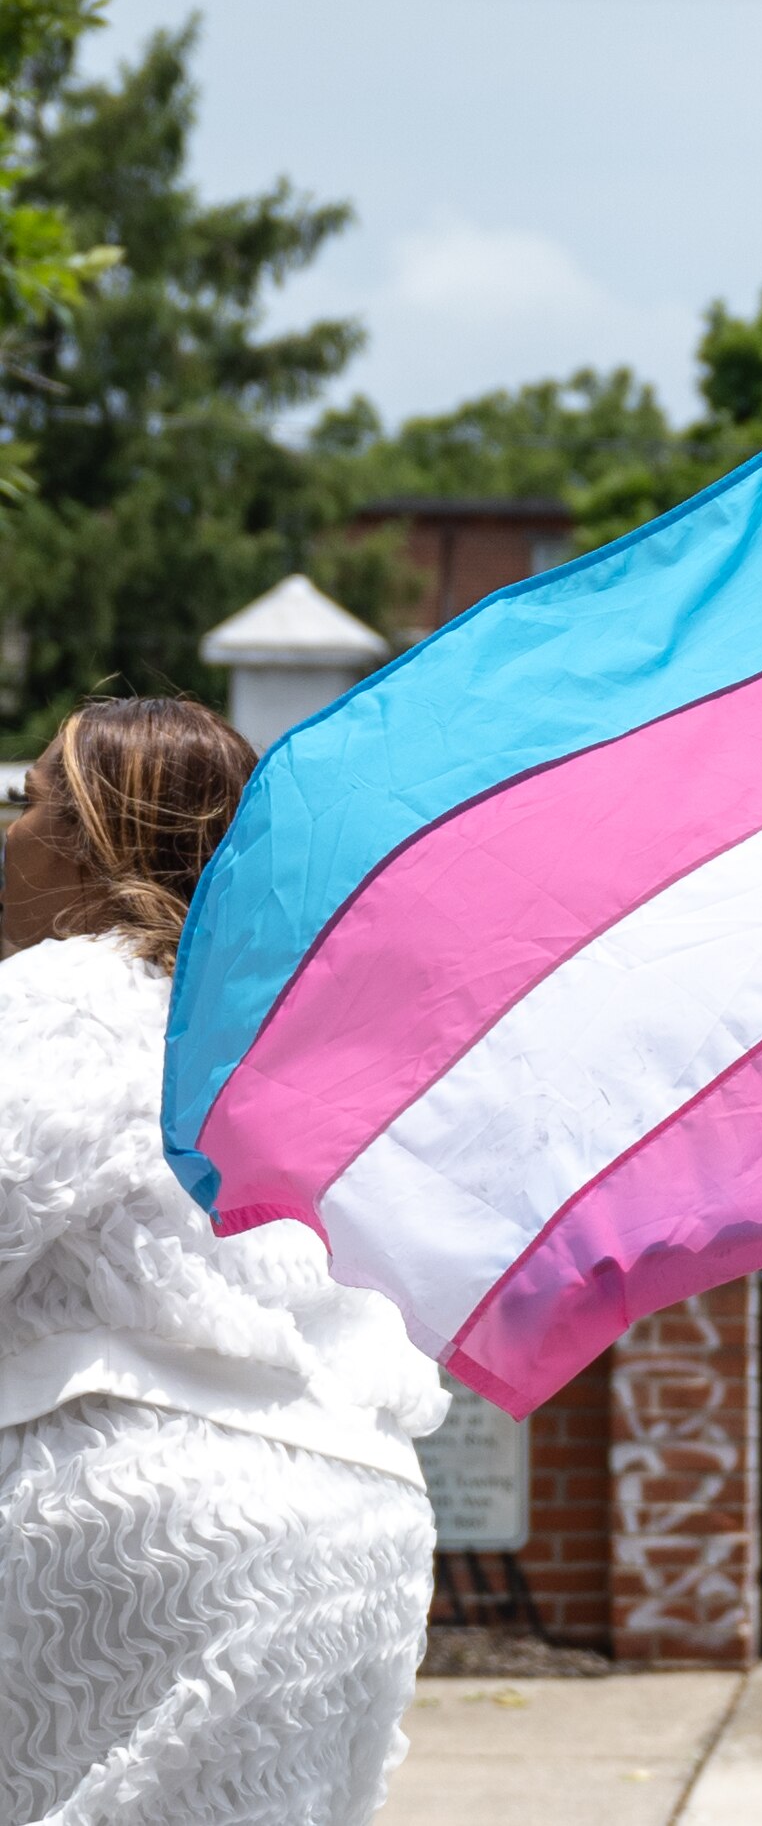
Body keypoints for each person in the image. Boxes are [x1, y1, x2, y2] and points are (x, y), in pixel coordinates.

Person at [0, 698, 447, 1826]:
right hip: (355, 1537)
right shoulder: (289, 1039)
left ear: (100, 842)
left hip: (147, 1524)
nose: (6, 827)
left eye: (31, 800)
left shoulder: (72, 995)